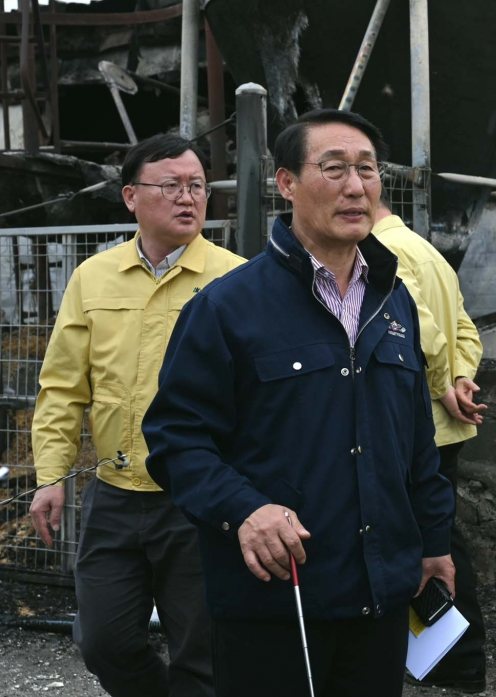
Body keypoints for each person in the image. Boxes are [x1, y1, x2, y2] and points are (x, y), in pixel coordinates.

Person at [142, 109, 455, 697]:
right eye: (333, 168)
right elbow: (175, 440)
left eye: (367, 169)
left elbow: (416, 440)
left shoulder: (395, 303)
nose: (356, 186)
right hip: (276, 602)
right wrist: (245, 508)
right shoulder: (226, 308)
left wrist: (434, 543)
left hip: (380, 597)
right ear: (286, 183)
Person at [29, 134, 243, 697]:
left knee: (203, 653)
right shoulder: (93, 278)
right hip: (114, 493)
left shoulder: (236, 279)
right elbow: (62, 386)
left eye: (196, 185)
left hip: (199, 496)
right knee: (103, 640)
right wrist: (50, 476)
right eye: (170, 185)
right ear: (130, 197)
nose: (187, 197)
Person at [371, 195, 489, 692]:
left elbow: (424, 329)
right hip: (446, 424)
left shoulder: (377, 249)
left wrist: (442, 382)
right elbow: (466, 328)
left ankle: (454, 659)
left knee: (429, 544)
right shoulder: (425, 248)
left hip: (415, 424)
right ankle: (451, 658)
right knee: (439, 537)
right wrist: (462, 380)